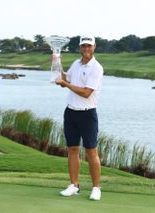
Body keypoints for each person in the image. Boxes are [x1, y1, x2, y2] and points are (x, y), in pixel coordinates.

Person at [54, 35, 103, 201]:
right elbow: (64, 80)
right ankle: (74, 185)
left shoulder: (96, 68)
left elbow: (85, 92)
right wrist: (57, 62)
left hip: (87, 114)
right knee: (72, 149)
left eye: (89, 46)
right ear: (80, 47)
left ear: (94, 46)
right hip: (71, 112)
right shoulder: (76, 63)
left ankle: (96, 188)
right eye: (84, 46)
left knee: (91, 151)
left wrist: (66, 84)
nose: (86, 49)